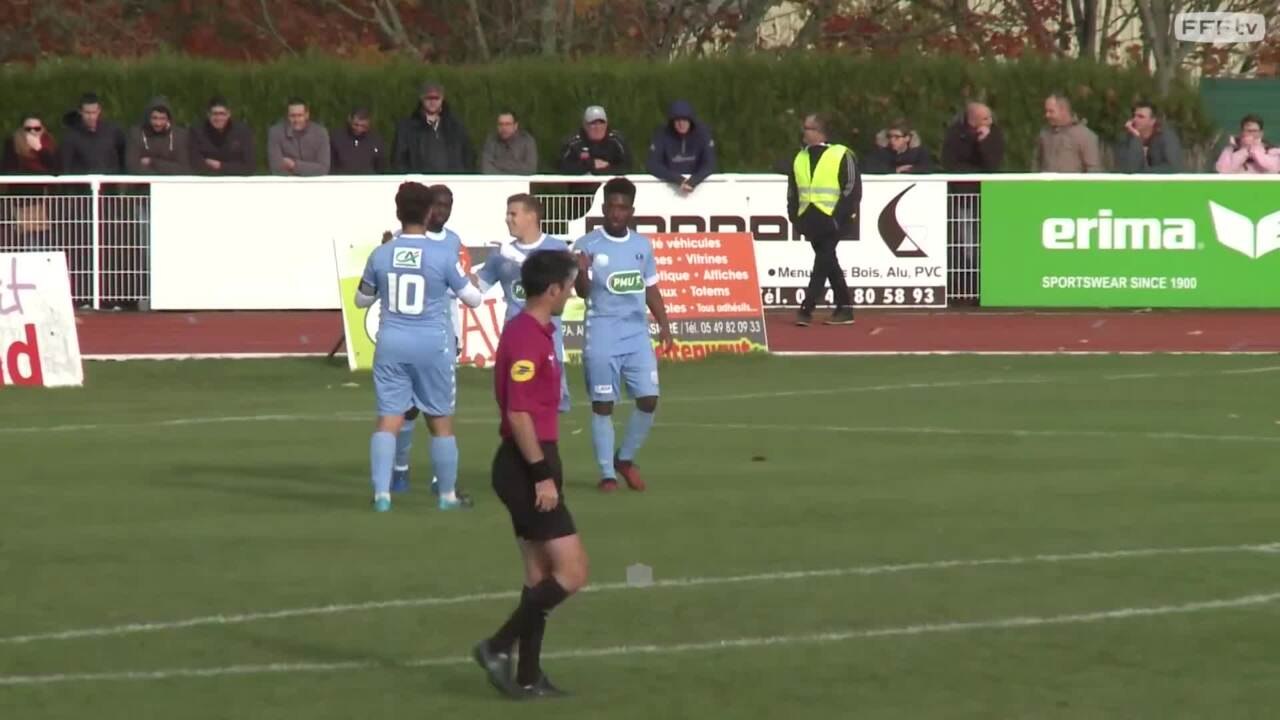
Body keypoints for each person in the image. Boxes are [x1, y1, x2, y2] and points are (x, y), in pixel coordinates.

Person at [472, 248, 587, 700]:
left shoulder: (535, 331)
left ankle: (528, 675)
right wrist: (541, 474)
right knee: (572, 572)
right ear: (554, 289)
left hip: (530, 460)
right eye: (570, 286)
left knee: (539, 577)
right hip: (525, 465)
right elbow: (518, 413)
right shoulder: (527, 337)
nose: (572, 293)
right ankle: (497, 646)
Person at [354, 182, 484, 512]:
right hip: (432, 345)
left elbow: (361, 300)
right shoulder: (443, 254)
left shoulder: (381, 253)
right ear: (428, 213)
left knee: (389, 418)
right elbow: (473, 299)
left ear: (398, 212)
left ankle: (382, 495)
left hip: (391, 344)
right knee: (440, 421)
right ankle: (447, 496)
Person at [571, 177, 675, 492]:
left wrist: (664, 325)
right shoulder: (586, 244)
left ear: (631, 211)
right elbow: (582, 292)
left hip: (636, 335)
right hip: (602, 334)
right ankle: (606, 474)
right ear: (604, 208)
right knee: (603, 405)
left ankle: (625, 459)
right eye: (612, 207)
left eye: (623, 208)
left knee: (649, 400)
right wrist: (582, 270)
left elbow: (651, 288)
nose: (617, 213)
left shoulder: (642, 246)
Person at [476, 194, 572, 413]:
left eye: (513, 214)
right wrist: (456, 271)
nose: (507, 219)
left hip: (548, 340)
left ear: (532, 216)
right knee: (515, 406)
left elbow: (563, 291)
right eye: (507, 214)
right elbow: (477, 289)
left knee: (550, 408)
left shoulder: (556, 248)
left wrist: (521, 261)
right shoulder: (500, 255)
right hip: (516, 339)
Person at [787, 112, 860, 326]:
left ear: (820, 132)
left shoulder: (842, 154)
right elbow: (793, 191)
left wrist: (838, 217)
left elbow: (852, 189)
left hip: (834, 218)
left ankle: (806, 308)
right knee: (828, 261)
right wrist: (794, 217)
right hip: (810, 218)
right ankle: (844, 308)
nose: (804, 132)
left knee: (822, 261)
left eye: (808, 128)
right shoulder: (799, 157)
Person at [1114, 100, 1184, 173]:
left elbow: (1174, 168)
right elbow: (1128, 169)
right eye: (1134, 116)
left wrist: (1144, 172)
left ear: (1152, 121)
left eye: (1140, 117)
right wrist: (1136, 138)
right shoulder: (1126, 139)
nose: (1135, 120)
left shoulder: (1167, 137)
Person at [1215, 114, 1280, 174]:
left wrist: (1254, 149)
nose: (1251, 134)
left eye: (1254, 131)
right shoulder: (1229, 150)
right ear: (1241, 132)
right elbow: (1223, 171)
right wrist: (1244, 150)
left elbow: (1273, 169)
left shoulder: (1272, 150)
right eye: (1248, 131)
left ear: (1261, 133)